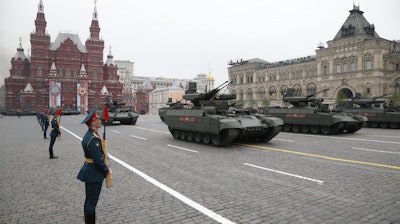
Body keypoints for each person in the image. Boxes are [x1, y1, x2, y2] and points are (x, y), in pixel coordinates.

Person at [77, 110, 110, 224]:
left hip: (90, 171)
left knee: (89, 201)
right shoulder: (93, 139)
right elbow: (98, 160)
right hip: (94, 173)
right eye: (98, 119)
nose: (100, 121)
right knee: (91, 203)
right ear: (93, 122)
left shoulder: (90, 135)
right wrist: (106, 170)